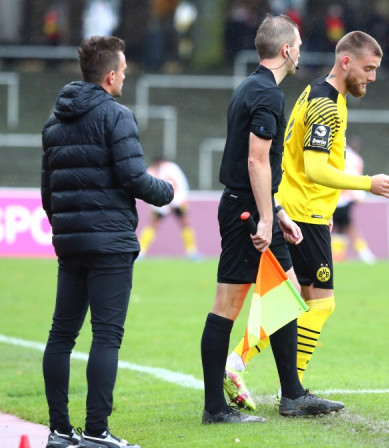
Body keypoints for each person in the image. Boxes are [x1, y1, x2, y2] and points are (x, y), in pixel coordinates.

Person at [223, 30, 389, 409]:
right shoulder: (326, 104)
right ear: (346, 62)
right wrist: (367, 183)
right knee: (318, 304)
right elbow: (316, 168)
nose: (372, 77)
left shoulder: (317, 93)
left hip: (303, 211)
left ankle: (284, 386)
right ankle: (267, 378)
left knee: (294, 301)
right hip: (303, 215)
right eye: (368, 69)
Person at [199, 13, 344, 424]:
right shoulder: (267, 94)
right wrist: (266, 217)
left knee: (285, 295)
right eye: (298, 45)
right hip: (246, 212)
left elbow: (254, 165)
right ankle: (215, 408)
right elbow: (255, 160)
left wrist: (277, 212)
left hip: (252, 206)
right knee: (228, 304)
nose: (301, 51)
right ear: (285, 50)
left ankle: (293, 395)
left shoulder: (250, 87)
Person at [41, 36, 174, 448]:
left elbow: (48, 191)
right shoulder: (117, 116)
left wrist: (66, 229)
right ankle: (97, 431)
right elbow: (133, 177)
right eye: (125, 73)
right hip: (110, 243)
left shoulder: (54, 122)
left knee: (61, 334)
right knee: (106, 336)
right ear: (111, 75)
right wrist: (166, 191)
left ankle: (59, 431)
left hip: (70, 244)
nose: (125, 79)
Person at [138, 157, 199, 260]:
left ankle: (192, 252)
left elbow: (180, 184)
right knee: (154, 224)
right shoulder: (155, 171)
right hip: (163, 203)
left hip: (174, 201)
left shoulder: (169, 168)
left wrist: (176, 201)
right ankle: (141, 252)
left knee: (184, 223)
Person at [332, 135, 376, 263]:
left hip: (338, 198)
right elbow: (356, 177)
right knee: (347, 227)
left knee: (341, 227)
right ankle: (363, 253)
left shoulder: (342, 156)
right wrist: (359, 195)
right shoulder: (354, 159)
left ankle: (339, 254)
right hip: (342, 198)